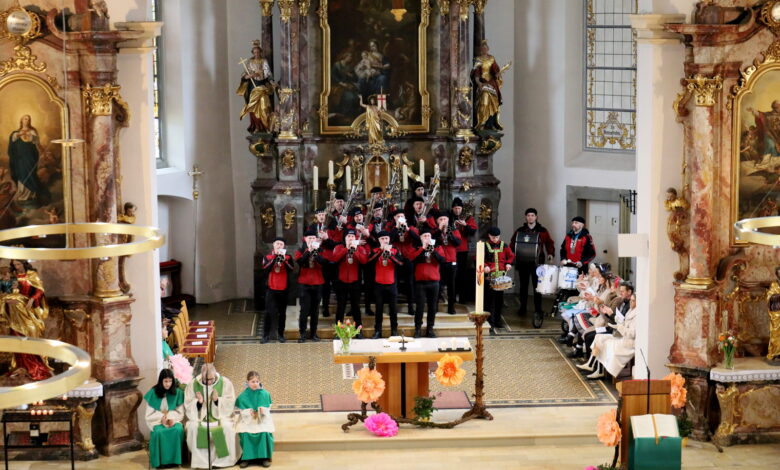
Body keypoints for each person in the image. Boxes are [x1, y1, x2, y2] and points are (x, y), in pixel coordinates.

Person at [0, 260, 51, 380]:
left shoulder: (32, 275)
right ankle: (20, 366)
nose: (17, 267)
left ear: (24, 264)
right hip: (14, 310)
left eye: (19, 264)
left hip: (28, 309)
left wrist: (32, 300)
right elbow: (5, 290)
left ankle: (34, 365)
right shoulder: (12, 276)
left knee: (31, 332)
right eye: (15, 265)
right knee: (17, 337)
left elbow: (39, 291)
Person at [184, 363, 239, 469]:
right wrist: (198, 403)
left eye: (211, 379)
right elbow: (188, 404)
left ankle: (222, 461)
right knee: (193, 427)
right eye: (206, 380)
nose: (209, 382)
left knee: (227, 427)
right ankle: (202, 462)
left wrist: (217, 400)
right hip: (200, 417)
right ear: (201, 375)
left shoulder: (225, 383)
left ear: (215, 375)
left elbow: (230, 403)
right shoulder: (193, 384)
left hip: (221, 416)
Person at [510, 208, 555, 318]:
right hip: (523, 263)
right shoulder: (520, 230)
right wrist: (512, 257)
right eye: (528, 215)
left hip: (537, 263)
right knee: (523, 287)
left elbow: (549, 242)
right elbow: (512, 244)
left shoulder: (542, 230)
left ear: (536, 217)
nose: (530, 217)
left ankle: (538, 309)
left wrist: (550, 253)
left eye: (532, 215)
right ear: (526, 217)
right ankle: (522, 308)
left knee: (537, 287)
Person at [587, 293, 638, 379]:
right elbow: (623, 322)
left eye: (633, 301)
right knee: (599, 337)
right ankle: (591, 364)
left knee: (604, 343)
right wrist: (615, 319)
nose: (631, 302)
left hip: (628, 342)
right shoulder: (631, 310)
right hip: (621, 334)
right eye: (631, 300)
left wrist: (619, 326)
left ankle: (597, 369)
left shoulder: (637, 314)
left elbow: (632, 334)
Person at [144, 369, 185, 469]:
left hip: (173, 420)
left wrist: (171, 419)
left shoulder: (177, 392)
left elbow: (180, 412)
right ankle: (160, 462)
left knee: (178, 429)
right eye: (165, 381)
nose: (168, 384)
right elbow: (149, 415)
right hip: (157, 421)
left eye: (170, 381)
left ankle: (176, 460)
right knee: (159, 432)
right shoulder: (153, 393)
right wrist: (161, 418)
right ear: (161, 381)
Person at [409, 227, 445, 337]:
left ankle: (430, 328)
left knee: (432, 306)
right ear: (420, 238)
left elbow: (441, 260)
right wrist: (423, 248)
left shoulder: (437, 247)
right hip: (420, 282)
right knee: (419, 307)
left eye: (429, 236)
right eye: (425, 236)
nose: (427, 238)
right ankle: (418, 329)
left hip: (434, 282)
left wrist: (432, 250)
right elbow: (412, 259)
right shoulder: (417, 248)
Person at [331, 229, 369, 329]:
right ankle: (338, 330)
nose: (351, 238)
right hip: (341, 282)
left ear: (356, 238)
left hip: (355, 282)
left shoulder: (360, 248)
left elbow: (364, 261)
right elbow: (335, 259)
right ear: (345, 238)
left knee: (356, 307)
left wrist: (355, 250)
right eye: (348, 237)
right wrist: (346, 249)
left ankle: (358, 330)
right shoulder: (339, 247)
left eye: (352, 237)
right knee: (340, 307)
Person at [295, 229, 328, 342]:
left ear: (316, 239)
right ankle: (302, 334)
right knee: (304, 310)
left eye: (313, 238)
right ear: (305, 239)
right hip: (304, 284)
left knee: (315, 311)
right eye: (309, 238)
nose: (311, 240)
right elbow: (300, 262)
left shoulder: (321, 250)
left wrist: (316, 253)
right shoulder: (301, 250)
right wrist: (308, 251)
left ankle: (313, 333)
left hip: (318, 283)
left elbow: (324, 263)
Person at [8, 115, 50, 206]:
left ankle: (32, 194)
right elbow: (13, 140)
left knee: (30, 174)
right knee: (21, 174)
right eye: (25, 118)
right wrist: (20, 134)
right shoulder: (16, 133)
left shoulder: (33, 131)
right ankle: (22, 194)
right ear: (21, 120)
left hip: (31, 157)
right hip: (20, 158)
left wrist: (44, 152)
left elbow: (37, 143)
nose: (26, 120)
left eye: (28, 119)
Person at [236, 371, 274, 468]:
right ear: (247, 382)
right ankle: (246, 458)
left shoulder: (265, 394)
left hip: (262, 419)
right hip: (248, 420)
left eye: (257, 381)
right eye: (252, 381)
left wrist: (263, 410)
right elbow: (241, 410)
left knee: (264, 432)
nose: (255, 384)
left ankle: (264, 458)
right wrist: (248, 412)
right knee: (245, 433)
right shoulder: (243, 396)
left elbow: (268, 408)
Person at [369, 231, 404, 338]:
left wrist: (391, 255)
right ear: (379, 240)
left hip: (391, 284)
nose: (385, 240)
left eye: (386, 238)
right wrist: (381, 251)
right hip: (378, 284)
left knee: (393, 309)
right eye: (383, 238)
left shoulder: (394, 250)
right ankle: (378, 331)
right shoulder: (375, 250)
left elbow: (401, 263)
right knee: (378, 309)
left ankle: (394, 331)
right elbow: (369, 262)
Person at [237, 44, 276, 133]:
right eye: (255, 52)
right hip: (252, 88)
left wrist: (262, 74)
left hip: (262, 86)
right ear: (253, 53)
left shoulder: (263, 61)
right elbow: (244, 75)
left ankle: (266, 126)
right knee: (253, 107)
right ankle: (257, 127)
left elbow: (268, 74)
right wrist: (250, 75)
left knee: (264, 106)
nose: (256, 54)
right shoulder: (250, 62)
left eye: (258, 52)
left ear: (260, 52)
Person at [261, 238, 294, 343]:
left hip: (283, 289)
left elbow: (291, 269)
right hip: (271, 289)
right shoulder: (267, 257)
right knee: (268, 313)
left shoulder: (288, 257)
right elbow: (265, 269)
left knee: (282, 313)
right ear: (273, 245)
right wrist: (274, 259)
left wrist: (284, 260)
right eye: (277, 244)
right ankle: (265, 335)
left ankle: (280, 334)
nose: (279, 246)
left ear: (284, 247)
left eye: (281, 244)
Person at [483, 227, 514, 335]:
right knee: (489, 301)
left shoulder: (504, 245)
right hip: (489, 277)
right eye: (493, 237)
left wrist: (509, 263)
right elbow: (479, 259)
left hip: (501, 277)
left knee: (499, 300)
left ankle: (497, 320)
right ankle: (489, 322)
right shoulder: (484, 246)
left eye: (497, 237)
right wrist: (485, 266)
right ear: (489, 236)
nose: (495, 239)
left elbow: (511, 256)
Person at [430, 211, 461, 314]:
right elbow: (433, 242)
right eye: (440, 219)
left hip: (452, 262)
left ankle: (451, 307)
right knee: (438, 285)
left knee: (452, 286)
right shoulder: (434, 231)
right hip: (439, 262)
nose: (443, 221)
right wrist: (440, 230)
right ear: (437, 221)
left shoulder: (454, 229)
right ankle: (435, 307)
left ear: (448, 220)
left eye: (445, 219)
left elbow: (457, 243)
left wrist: (449, 233)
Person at [471, 40, 504, 131]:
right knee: (484, 100)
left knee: (494, 102)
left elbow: (495, 70)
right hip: (483, 82)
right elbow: (476, 74)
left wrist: (497, 74)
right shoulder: (478, 59)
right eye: (482, 48)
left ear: (488, 49)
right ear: (480, 50)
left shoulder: (491, 58)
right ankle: (482, 122)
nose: (484, 50)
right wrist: (479, 83)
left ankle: (490, 123)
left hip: (492, 83)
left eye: (485, 48)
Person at [451, 198, 477, 303]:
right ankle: (452, 296)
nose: (457, 210)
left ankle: (462, 297)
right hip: (451, 250)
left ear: (462, 208)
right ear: (452, 208)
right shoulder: (449, 217)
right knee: (452, 274)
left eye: (459, 208)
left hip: (462, 250)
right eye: (455, 208)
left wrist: (465, 226)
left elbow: (473, 231)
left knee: (462, 274)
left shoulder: (468, 218)